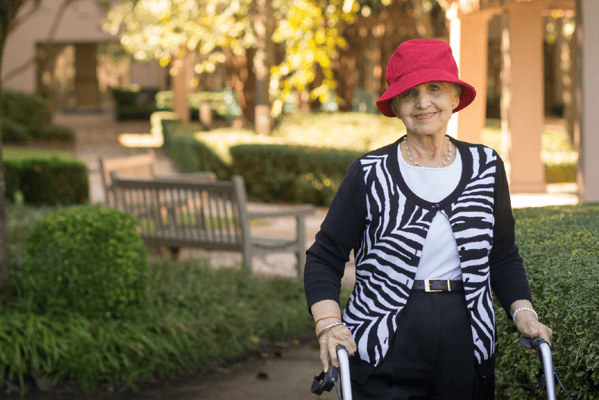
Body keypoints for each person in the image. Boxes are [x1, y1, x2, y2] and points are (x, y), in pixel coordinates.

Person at [304, 39, 553, 399]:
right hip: (384, 338)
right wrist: (329, 325)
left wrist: (523, 312)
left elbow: (501, 255)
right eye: (410, 93)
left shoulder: (485, 167)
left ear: (454, 97)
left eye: (434, 88)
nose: (423, 103)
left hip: (464, 334)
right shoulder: (370, 173)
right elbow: (324, 258)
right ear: (395, 104)